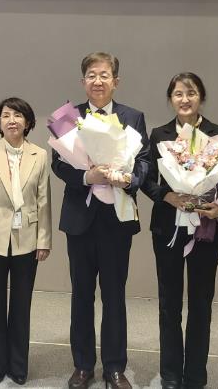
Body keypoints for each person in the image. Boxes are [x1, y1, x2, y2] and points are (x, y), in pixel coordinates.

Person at [52, 52, 149, 389]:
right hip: (80, 219)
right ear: (83, 81)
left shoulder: (133, 117)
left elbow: (144, 161)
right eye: (91, 75)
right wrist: (86, 176)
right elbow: (58, 163)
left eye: (104, 75)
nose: (98, 81)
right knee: (81, 295)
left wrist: (130, 179)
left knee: (114, 296)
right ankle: (82, 366)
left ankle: (115, 368)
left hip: (116, 221)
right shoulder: (69, 118)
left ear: (115, 81)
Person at [141, 72, 218, 389]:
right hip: (168, 229)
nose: (185, 99)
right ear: (171, 99)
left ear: (201, 97)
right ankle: (170, 374)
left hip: (206, 231)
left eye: (191, 93)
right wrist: (166, 195)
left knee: (201, 304)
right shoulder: (159, 134)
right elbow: (147, 179)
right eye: (178, 94)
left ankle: (196, 375)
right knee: (169, 304)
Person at [0, 97, 52, 385]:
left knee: (21, 305)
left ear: (28, 122)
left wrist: (44, 240)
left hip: (27, 238)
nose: (12, 120)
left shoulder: (39, 155)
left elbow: (43, 200)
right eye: (6, 115)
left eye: (18, 115)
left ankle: (18, 366)